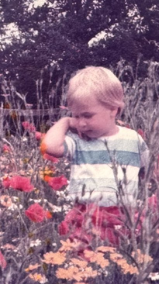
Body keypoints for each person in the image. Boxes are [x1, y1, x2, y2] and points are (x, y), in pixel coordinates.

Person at [42, 66, 149, 245]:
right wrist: (66, 122)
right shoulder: (78, 141)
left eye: (87, 115)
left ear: (113, 110)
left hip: (122, 219)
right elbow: (50, 146)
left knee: (119, 259)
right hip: (83, 217)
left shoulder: (133, 140)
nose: (81, 124)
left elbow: (148, 173)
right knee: (81, 260)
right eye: (76, 116)